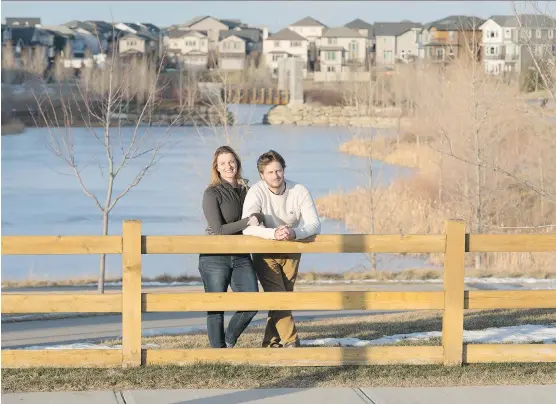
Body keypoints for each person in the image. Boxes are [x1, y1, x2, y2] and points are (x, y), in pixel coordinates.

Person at [242, 150, 321, 348]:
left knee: (282, 297)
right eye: (270, 172)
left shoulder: (299, 190)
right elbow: (248, 226)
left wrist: (294, 233)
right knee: (278, 296)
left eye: (278, 171)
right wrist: (273, 233)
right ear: (262, 175)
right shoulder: (256, 192)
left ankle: (270, 341)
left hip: (292, 248)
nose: (275, 176)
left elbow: (314, 225)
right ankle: (292, 341)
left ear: (284, 170)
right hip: (265, 250)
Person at [199, 145, 264, 348]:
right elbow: (218, 230)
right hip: (215, 257)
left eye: (231, 161)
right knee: (216, 308)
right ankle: (218, 354)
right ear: (216, 168)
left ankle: (228, 339)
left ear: (237, 163)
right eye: (222, 163)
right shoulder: (211, 193)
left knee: (252, 302)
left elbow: (260, 213)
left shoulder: (248, 189)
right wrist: (247, 222)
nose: (228, 166)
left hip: (241, 256)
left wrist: (257, 218)